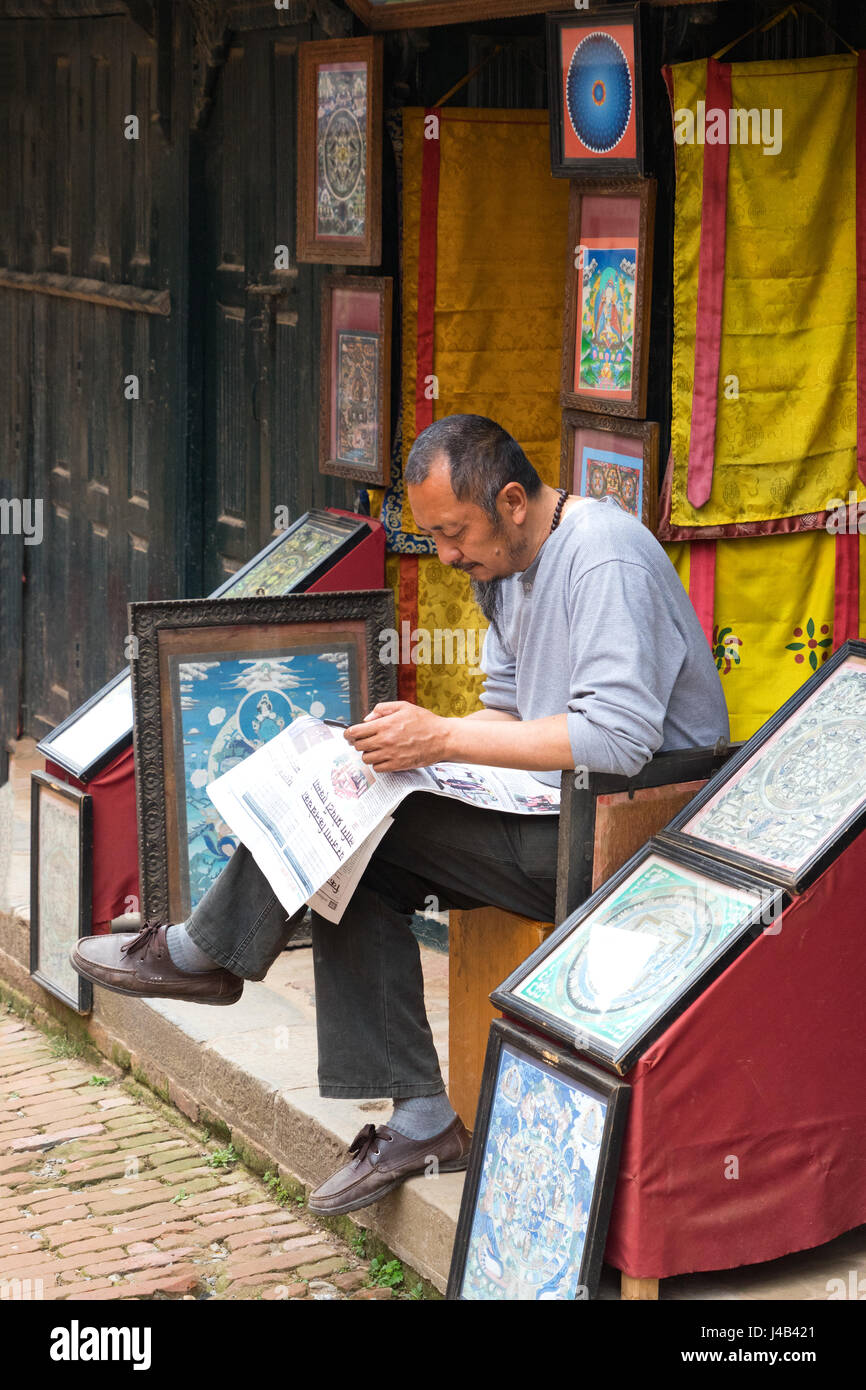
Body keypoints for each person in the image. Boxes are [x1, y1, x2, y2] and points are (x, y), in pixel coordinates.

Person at [71, 414, 730, 1215]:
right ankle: (414, 1113)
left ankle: (206, 956)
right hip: (562, 807)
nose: (448, 556)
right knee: (350, 807)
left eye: (455, 533)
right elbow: (508, 714)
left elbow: (620, 741)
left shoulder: (605, 555)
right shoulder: (508, 564)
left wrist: (443, 737)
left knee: (364, 834)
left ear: (514, 501)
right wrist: (406, 751)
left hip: (632, 832)